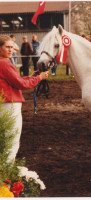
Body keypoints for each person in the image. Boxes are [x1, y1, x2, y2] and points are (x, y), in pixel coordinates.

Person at [0, 35, 49, 163]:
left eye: (12, 47)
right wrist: (39, 78)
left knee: (5, 140)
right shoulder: (4, 63)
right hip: (10, 105)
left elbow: (16, 81)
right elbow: (21, 84)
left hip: (3, 104)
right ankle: (7, 174)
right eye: (7, 47)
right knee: (12, 141)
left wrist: (32, 76)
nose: (11, 50)